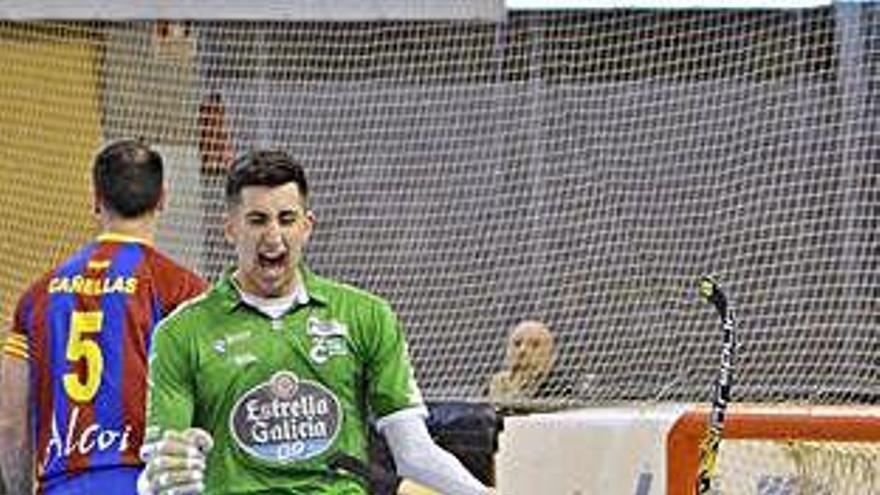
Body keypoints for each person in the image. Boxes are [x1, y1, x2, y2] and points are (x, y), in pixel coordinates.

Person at [138, 149, 493, 495]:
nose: (273, 236)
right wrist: (164, 481)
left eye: (287, 219)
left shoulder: (366, 316)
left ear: (308, 226)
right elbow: (155, 474)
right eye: (257, 220)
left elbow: (414, 454)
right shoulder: (180, 332)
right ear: (230, 229)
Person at [0, 139, 208, 494]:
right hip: (149, 481)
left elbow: (9, 422)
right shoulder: (183, 290)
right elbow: (212, 402)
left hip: (61, 483)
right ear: (163, 199)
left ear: (96, 199)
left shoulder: (35, 298)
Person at [488, 319, 574, 403]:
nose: (522, 350)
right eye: (517, 344)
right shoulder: (496, 386)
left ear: (551, 356)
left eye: (535, 345)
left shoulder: (563, 389)